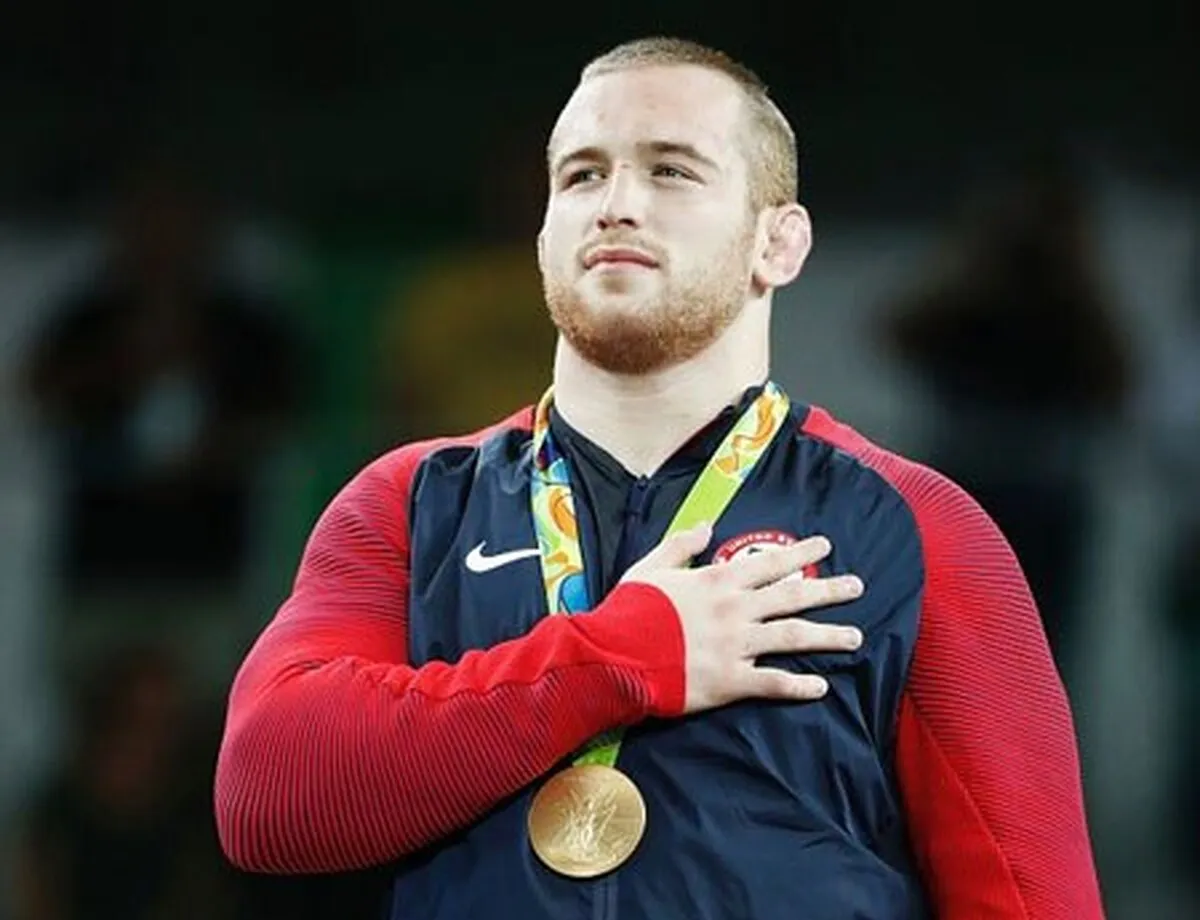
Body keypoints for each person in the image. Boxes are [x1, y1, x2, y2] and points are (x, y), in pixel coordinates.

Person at [214, 37, 1106, 919]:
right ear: (544, 236)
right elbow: (267, 794)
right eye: (582, 176)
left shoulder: (915, 524)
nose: (616, 205)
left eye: (671, 171)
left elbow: (1033, 901)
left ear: (779, 243)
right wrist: (628, 654)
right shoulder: (412, 502)